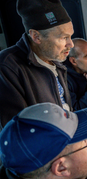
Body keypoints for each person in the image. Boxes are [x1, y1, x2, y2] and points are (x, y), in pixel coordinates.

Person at [0, 0, 74, 128]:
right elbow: (18, 132)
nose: (71, 44)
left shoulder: (56, 61)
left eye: (70, 36)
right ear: (36, 36)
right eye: (63, 37)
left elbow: (65, 110)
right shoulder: (7, 66)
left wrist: (84, 124)